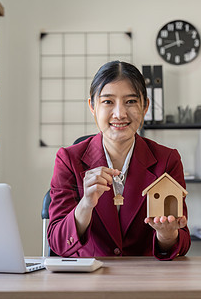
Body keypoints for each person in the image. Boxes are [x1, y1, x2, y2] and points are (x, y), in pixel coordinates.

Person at [48, 61, 190, 260]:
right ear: (92, 106)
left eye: (131, 101)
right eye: (108, 102)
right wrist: (85, 205)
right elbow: (57, 242)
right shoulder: (68, 160)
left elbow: (181, 243)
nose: (120, 114)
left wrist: (167, 235)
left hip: (147, 279)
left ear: (145, 106)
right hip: (88, 280)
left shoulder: (167, 160)